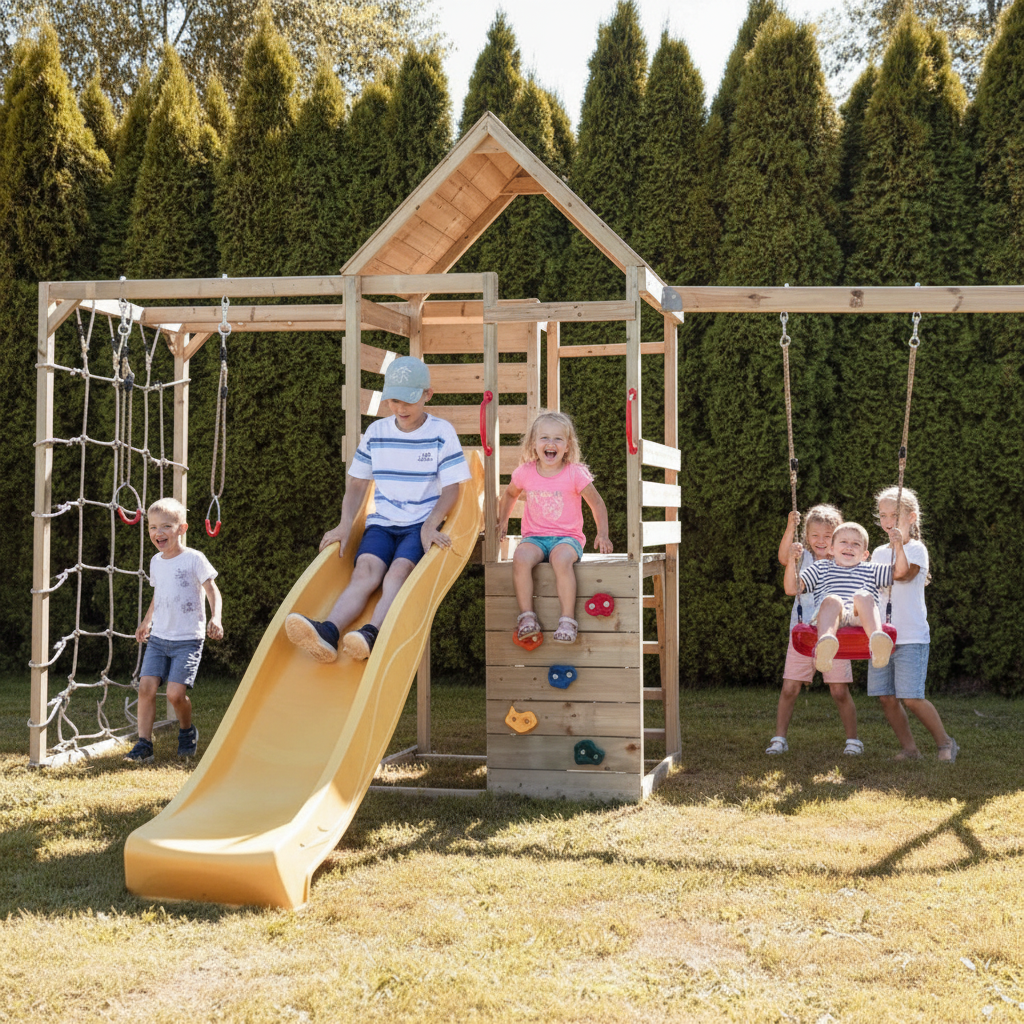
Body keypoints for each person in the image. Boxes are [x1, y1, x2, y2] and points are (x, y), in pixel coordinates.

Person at [286, 356, 471, 663]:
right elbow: (357, 483)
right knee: (365, 573)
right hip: (382, 522)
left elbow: (453, 487)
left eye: (408, 401)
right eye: (394, 401)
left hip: (418, 523)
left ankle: (372, 633)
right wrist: (345, 524)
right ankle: (329, 632)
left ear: (428, 395)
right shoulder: (377, 432)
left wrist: (431, 524)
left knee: (397, 573)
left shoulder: (441, 432)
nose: (401, 409)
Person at [496, 410, 612, 646]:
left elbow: (597, 502)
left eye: (558, 439)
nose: (551, 444)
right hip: (535, 537)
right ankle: (527, 617)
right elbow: (509, 494)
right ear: (533, 444)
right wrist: (503, 520)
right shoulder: (525, 472)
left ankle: (567, 620)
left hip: (567, 539)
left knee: (560, 560)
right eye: (545, 438)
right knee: (520, 556)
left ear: (567, 446)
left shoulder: (575, 473)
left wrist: (602, 533)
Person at [125, 498, 223, 764]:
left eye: (166, 526)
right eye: (153, 527)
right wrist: (147, 622)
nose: (158, 532)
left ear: (182, 528)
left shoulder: (194, 559)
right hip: (159, 638)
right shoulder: (156, 561)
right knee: (145, 688)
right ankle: (144, 744)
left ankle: (186, 731)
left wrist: (217, 617)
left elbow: (212, 590)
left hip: (187, 639)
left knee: (174, 695)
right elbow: (160, 594)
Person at [868, 486, 958, 762]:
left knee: (912, 697)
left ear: (911, 517)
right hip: (883, 637)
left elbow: (904, 575)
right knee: (885, 697)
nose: (887, 521)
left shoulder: (917, 549)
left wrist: (898, 546)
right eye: (883, 515)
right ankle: (910, 749)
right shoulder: (879, 553)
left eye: (894, 514)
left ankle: (946, 743)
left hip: (911, 636)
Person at [766, 504, 863, 756]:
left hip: (836, 634)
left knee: (840, 691)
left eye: (828, 536)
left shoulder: (844, 561)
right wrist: (791, 529)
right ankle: (779, 739)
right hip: (803, 632)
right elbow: (783, 558)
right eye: (815, 536)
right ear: (807, 537)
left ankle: (853, 741)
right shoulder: (805, 557)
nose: (821, 541)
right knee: (789, 688)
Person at [785, 519, 907, 674]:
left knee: (863, 595)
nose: (849, 547)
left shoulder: (871, 569)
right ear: (831, 549)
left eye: (856, 544)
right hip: (829, 617)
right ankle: (825, 645)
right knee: (832, 599)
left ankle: (877, 641)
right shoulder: (821, 567)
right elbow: (791, 589)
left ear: (864, 555)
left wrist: (899, 546)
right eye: (843, 542)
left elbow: (901, 572)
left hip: (859, 618)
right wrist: (791, 560)